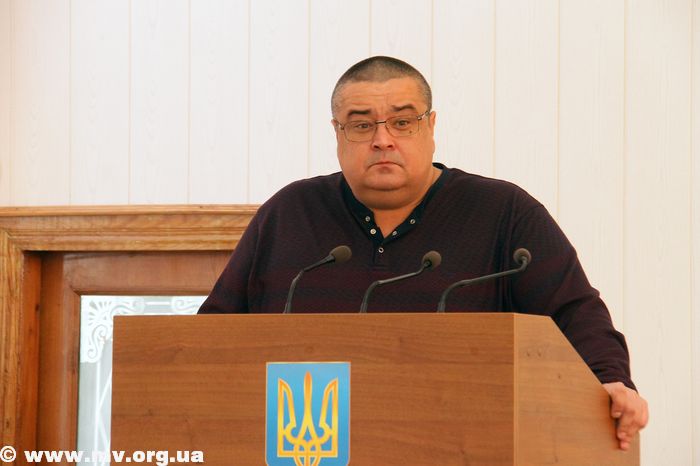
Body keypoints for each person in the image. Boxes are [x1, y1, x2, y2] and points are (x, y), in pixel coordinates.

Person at [198, 56, 648, 449]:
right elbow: (213, 335)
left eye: (402, 122)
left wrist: (609, 380)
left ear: (431, 126)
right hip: (307, 447)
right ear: (337, 133)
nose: (383, 139)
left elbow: (574, 312)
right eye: (361, 124)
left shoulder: (504, 212)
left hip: (465, 445)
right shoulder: (289, 214)